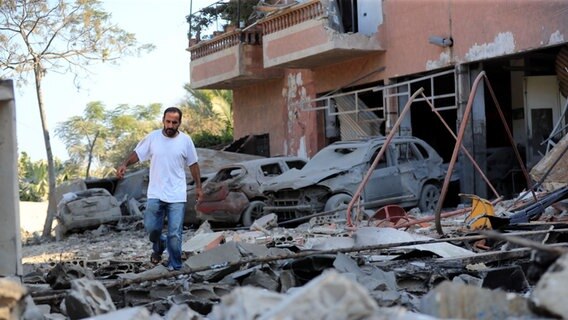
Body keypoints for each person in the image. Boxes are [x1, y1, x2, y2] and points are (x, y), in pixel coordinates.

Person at [116, 107, 202, 271]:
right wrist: (124, 164)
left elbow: (193, 164)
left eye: (174, 123)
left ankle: (175, 266)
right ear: (163, 120)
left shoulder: (185, 141)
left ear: (179, 123)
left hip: (177, 195)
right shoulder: (153, 138)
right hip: (156, 193)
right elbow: (138, 153)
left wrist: (199, 187)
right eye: (168, 121)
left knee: (175, 234)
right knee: (151, 228)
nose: (170, 125)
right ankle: (159, 244)